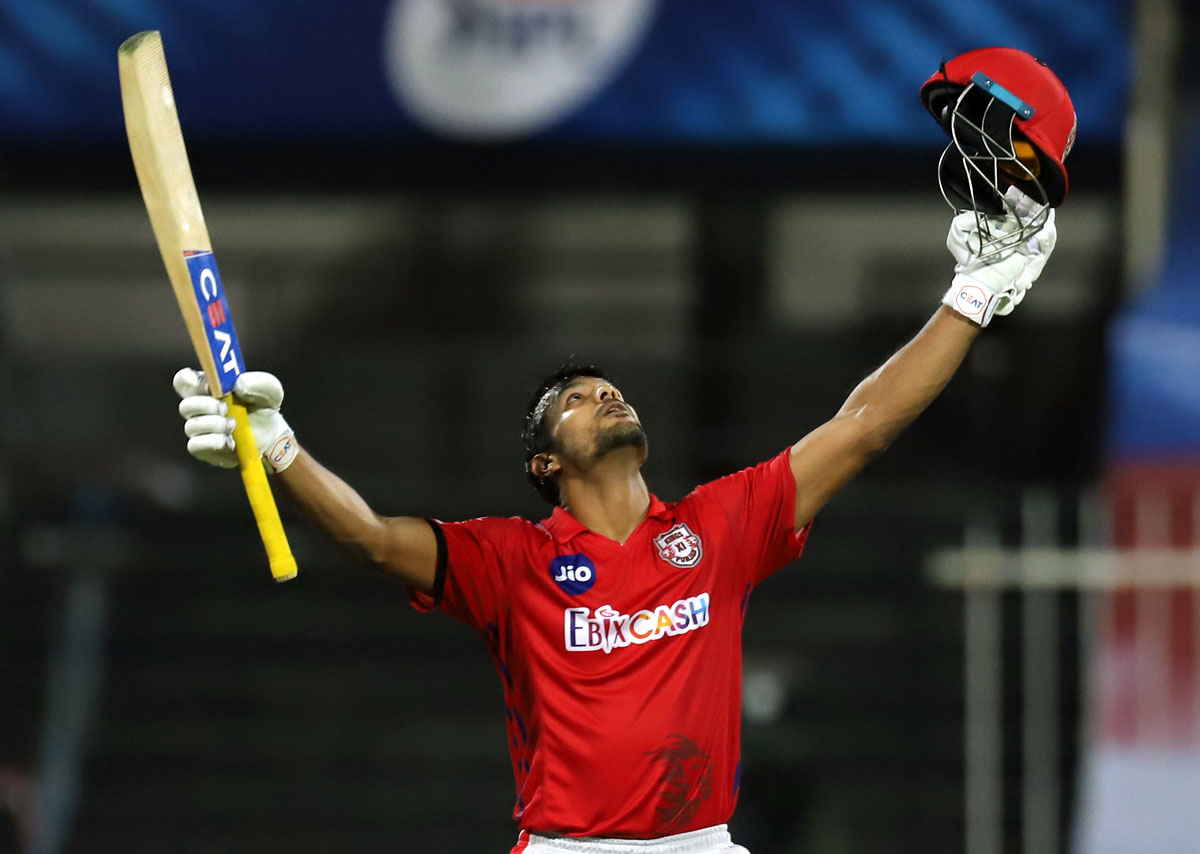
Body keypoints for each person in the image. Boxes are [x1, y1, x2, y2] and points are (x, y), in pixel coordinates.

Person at [173, 192, 1055, 853]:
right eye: (578, 400)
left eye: (611, 390)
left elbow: (860, 428)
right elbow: (368, 536)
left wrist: (969, 297)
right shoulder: (508, 558)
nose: (606, 396)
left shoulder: (719, 527)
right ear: (544, 465)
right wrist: (279, 445)